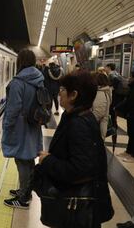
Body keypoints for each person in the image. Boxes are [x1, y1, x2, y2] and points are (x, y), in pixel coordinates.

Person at [38, 71, 114, 228]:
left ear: (74, 95)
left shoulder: (79, 124)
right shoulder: (76, 116)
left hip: (77, 209)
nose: (59, 92)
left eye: (63, 89)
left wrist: (48, 160)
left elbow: (80, 169)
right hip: (74, 206)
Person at [2, 49, 44, 209]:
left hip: (20, 126)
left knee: (21, 160)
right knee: (28, 160)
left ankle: (24, 198)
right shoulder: (38, 78)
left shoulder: (18, 82)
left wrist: (7, 126)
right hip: (33, 124)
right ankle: (25, 190)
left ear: (20, 61)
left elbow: (13, 108)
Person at [115, 70, 134, 162]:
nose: (129, 78)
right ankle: (129, 151)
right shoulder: (133, 87)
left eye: (131, 77)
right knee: (131, 134)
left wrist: (120, 108)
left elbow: (130, 102)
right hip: (131, 114)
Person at [92, 72, 112, 139]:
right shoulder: (105, 91)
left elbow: (97, 114)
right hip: (100, 129)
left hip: (96, 131)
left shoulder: (100, 94)